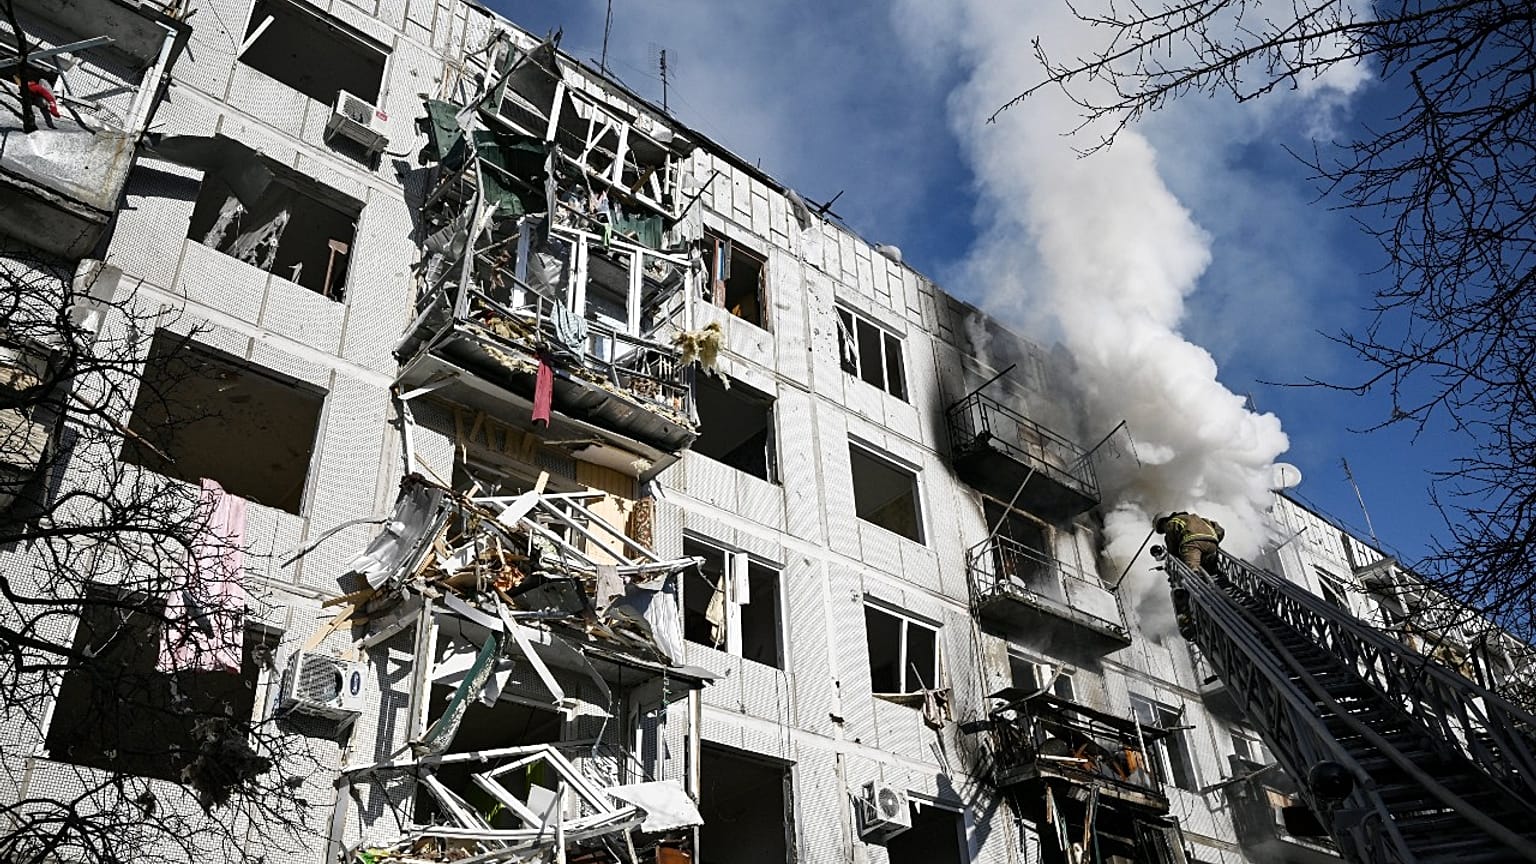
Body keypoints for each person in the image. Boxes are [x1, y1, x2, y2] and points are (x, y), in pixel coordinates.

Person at [1156, 511, 1225, 574]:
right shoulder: (1198, 519)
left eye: (1162, 528)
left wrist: (1175, 556)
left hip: (1192, 545)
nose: (1165, 531)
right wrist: (1214, 541)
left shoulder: (1171, 522)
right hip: (1212, 543)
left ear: (1164, 521)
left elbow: (1172, 546)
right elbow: (1220, 530)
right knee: (1210, 568)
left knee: (1192, 570)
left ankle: (1196, 575)